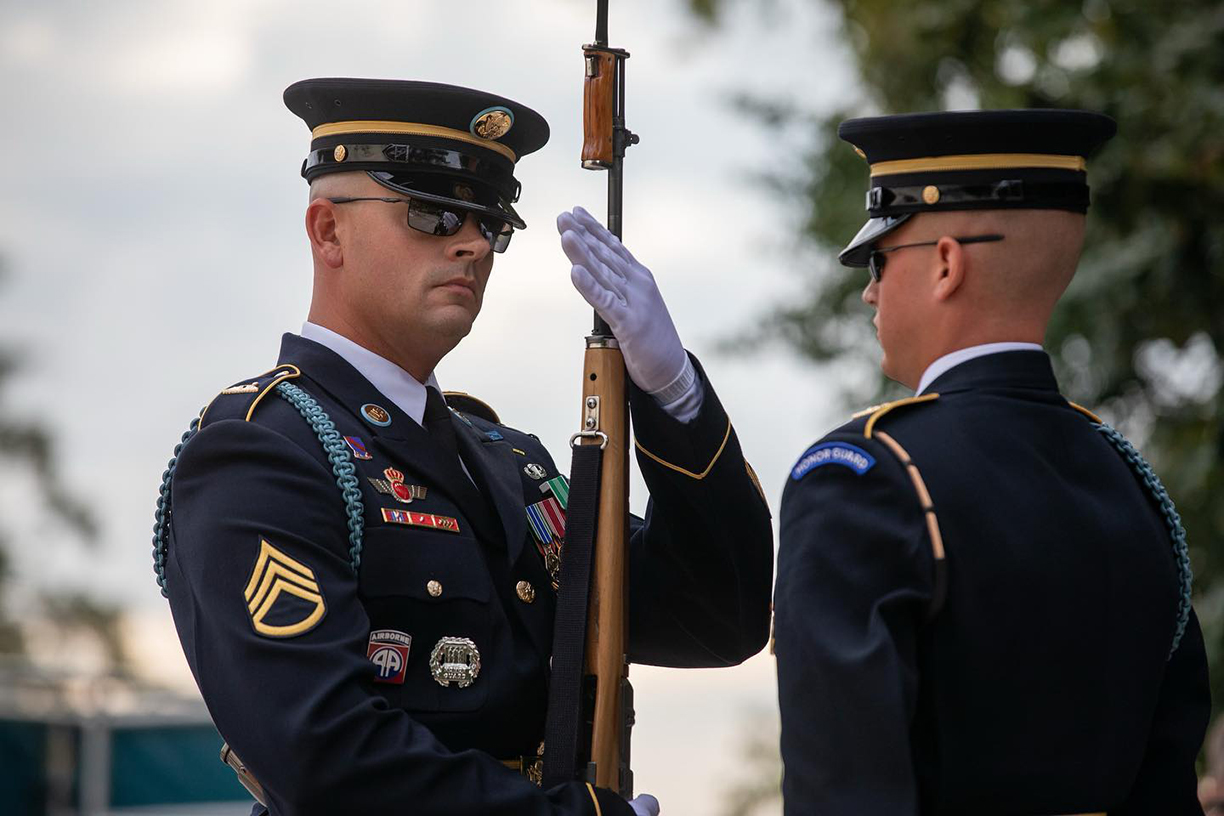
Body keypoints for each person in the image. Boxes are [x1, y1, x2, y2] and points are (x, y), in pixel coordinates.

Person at [152, 77, 774, 816]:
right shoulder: (263, 451)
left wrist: (672, 392)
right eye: (433, 212)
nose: (473, 242)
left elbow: (716, 616)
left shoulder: (510, 464)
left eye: (490, 223)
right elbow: (326, 755)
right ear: (327, 232)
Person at [774, 110, 1210, 815]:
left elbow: (845, 792)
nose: (869, 290)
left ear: (946, 263)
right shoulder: (1131, 481)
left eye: (881, 259)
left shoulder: (864, 475)